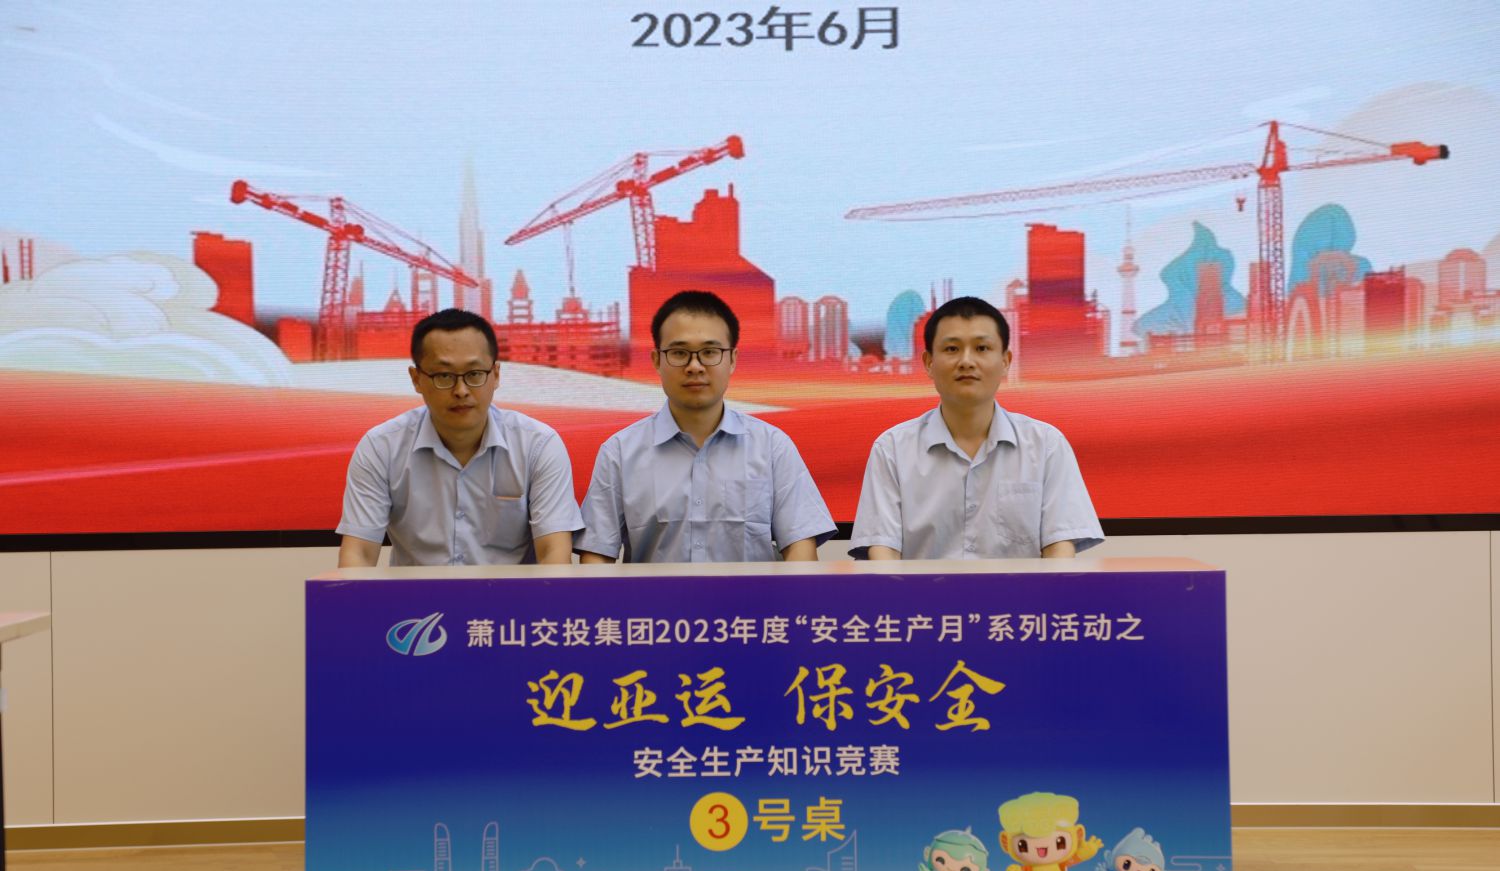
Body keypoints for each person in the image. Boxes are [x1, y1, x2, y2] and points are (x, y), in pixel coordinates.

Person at [575, 290, 835, 563]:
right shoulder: (620, 452)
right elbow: (596, 557)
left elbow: (800, 551)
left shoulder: (772, 447)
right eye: (679, 353)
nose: (695, 366)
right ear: (657, 361)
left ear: (732, 359)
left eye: (710, 352)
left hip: (751, 594)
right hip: (656, 595)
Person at [850, 295, 1103, 560]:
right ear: (928, 362)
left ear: (1005, 361)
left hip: (1019, 590)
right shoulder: (892, 449)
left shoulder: (1046, 444)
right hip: (920, 591)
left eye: (982, 348)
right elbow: (883, 556)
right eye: (952, 349)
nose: (966, 361)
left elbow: (1059, 551)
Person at [337, 309, 583, 567]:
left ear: (496, 375)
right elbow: (359, 554)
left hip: (511, 595)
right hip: (417, 594)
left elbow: (554, 554)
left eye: (474, 374)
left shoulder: (538, 446)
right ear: (416, 379)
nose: (461, 390)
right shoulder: (381, 448)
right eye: (444, 376)